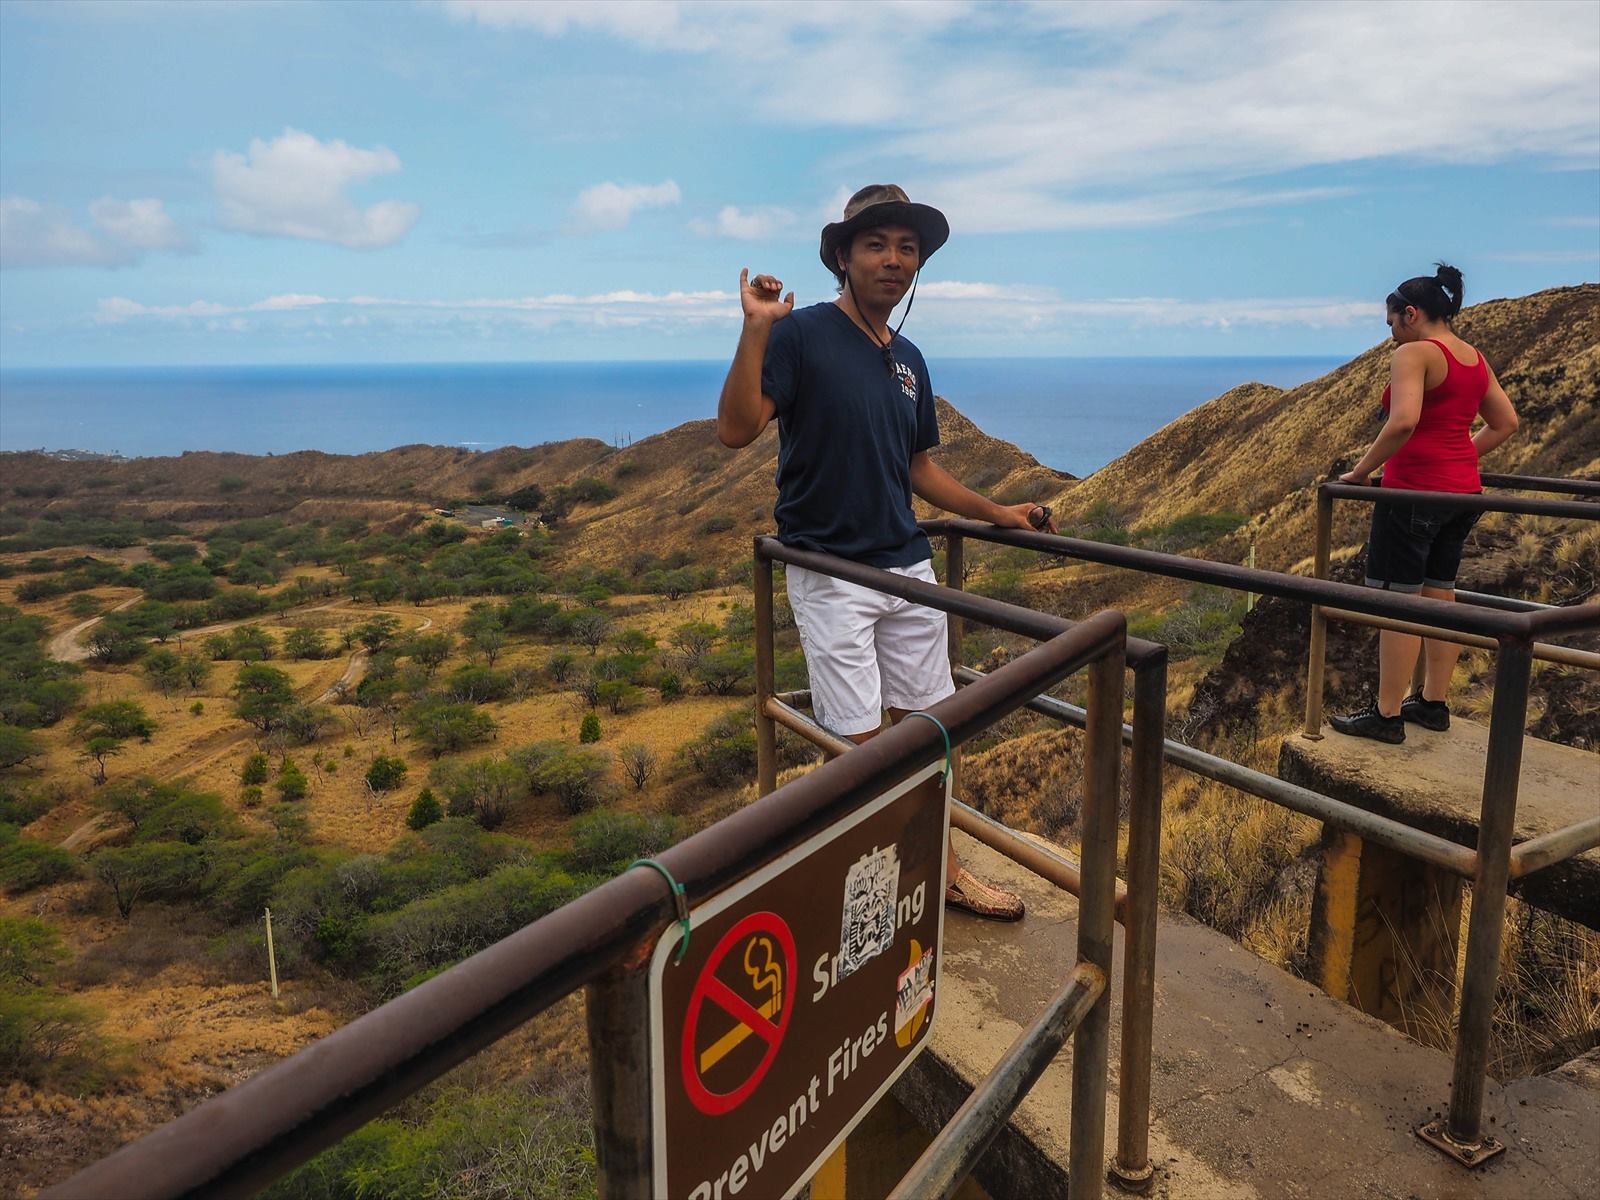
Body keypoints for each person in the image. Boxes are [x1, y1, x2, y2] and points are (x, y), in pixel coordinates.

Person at [717, 184, 1058, 919]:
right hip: (831, 572)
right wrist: (755, 330)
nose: (894, 261)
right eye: (876, 245)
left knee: (927, 733)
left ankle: (940, 871)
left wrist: (1002, 513)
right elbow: (737, 428)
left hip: (909, 569)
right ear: (843, 256)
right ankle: (869, 895)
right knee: (861, 751)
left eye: (907, 248)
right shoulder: (800, 334)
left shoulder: (909, 359)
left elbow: (919, 470)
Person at [1330, 263, 1518, 743]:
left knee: (1399, 604)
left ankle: (1387, 715)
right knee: (1440, 596)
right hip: (1461, 495)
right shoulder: (1473, 357)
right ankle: (1433, 703)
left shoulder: (1415, 354)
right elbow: (1506, 423)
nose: (1391, 334)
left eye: (1392, 323)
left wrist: (1360, 472)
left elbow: (1402, 421)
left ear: (1410, 314)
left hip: (1412, 494)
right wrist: (1458, 459)